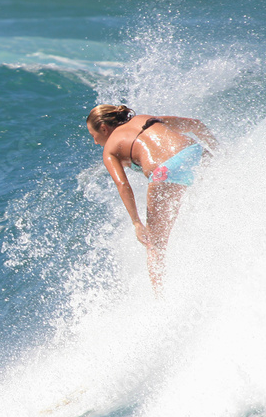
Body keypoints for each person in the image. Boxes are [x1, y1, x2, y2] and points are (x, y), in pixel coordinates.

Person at [86, 104, 218, 292]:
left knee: (154, 246)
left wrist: (136, 223)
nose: (95, 142)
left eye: (93, 136)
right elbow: (196, 125)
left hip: (165, 173)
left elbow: (123, 185)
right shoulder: (145, 118)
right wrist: (221, 153)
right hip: (195, 153)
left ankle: (160, 299)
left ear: (104, 128)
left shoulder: (109, 149)